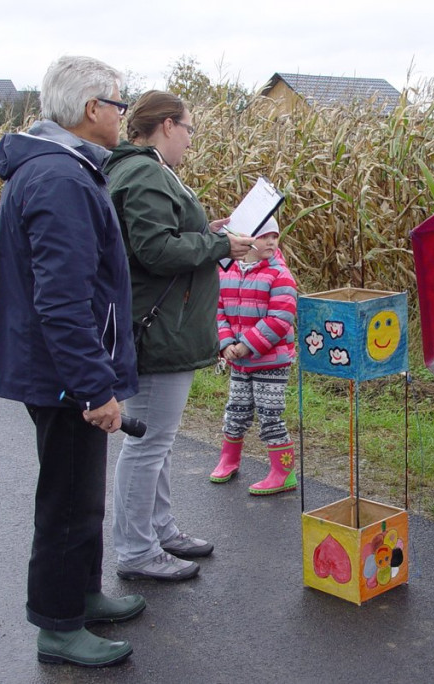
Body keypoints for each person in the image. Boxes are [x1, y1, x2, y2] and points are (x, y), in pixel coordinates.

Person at [0, 55, 144, 667]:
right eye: (119, 104)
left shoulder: (62, 168)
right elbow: (61, 300)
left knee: (82, 493)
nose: (122, 115)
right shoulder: (60, 178)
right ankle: (58, 625)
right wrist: (93, 388)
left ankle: (81, 594)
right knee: (67, 500)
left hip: (63, 370)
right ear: (91, 108)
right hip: (64, 376)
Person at [105, 90, 256, 581]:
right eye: (189, 129)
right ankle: (137, 550)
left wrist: (208, 232)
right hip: (160, 327)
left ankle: (160, 530)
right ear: (167, 125)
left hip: (162, 323)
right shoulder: (144, 172)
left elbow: (160, 235)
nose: (191, 141)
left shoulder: (141, 170)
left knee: (158, 441)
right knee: (148, 444)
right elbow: (154, 249)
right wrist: (219, 244)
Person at [210, 218, 299, 494]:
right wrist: (226, 343)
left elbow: (280, 318)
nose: (271, 242)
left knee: (269, 413)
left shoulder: (279, 275)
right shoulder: (226, 271)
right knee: (236, 409)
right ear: (245, 238)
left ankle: (283, 472)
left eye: (275, 236)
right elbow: (218, 310)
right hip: (239, 359)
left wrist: (248, 345)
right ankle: (229, 458)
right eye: (263, 236)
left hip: (271, 361)